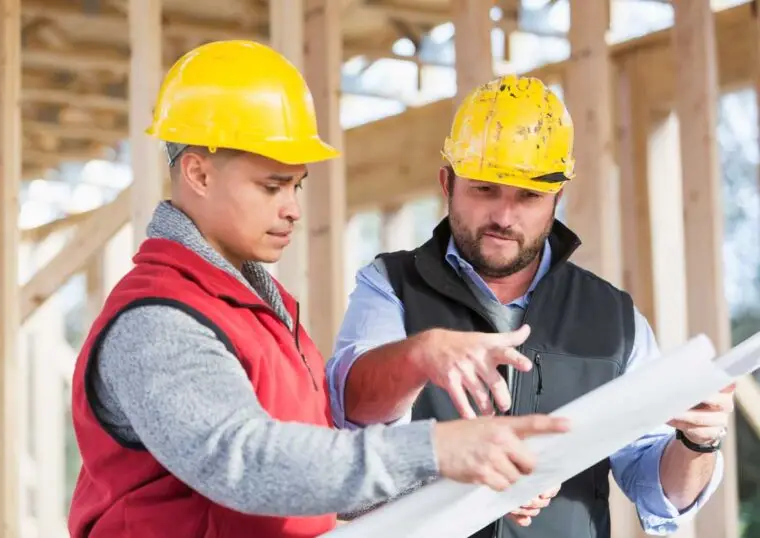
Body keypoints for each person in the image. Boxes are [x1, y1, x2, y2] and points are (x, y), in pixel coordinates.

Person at [66, 43, 572, 538]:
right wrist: (438, 448)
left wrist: (475, 474)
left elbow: (323, 469)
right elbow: (248, 463)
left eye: (296, 186)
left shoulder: (258, 312)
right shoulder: (159, 320)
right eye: (272, 186)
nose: (293, 209)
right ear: (198, 172)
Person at [326, 74, 735, 538]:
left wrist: (698, 442)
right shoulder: (390, 286)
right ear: (447, 182)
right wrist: (423, 355)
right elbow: (354, 416)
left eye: (528, 196)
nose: (504, 216)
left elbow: (657, 490)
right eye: (484, 189)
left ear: (557, 198)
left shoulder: (615, 322)